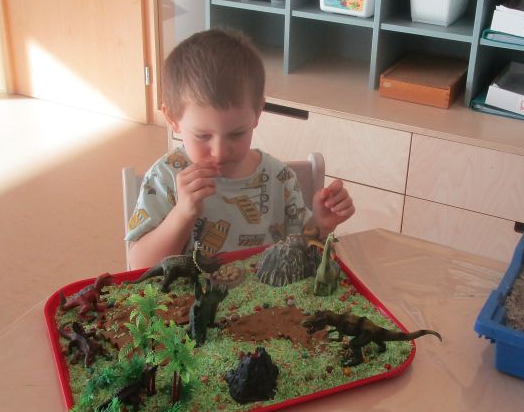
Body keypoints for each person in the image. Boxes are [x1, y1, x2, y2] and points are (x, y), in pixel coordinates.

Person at [126, 28, 355, 270]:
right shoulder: (164, 178)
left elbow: (300, 251)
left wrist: (320, 224)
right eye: (202, 136)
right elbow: (139, 265)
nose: (220, 152)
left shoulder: (281, 180)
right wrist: (182, 214)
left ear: (258, 113)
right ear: (172, 119)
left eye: (236, 134)